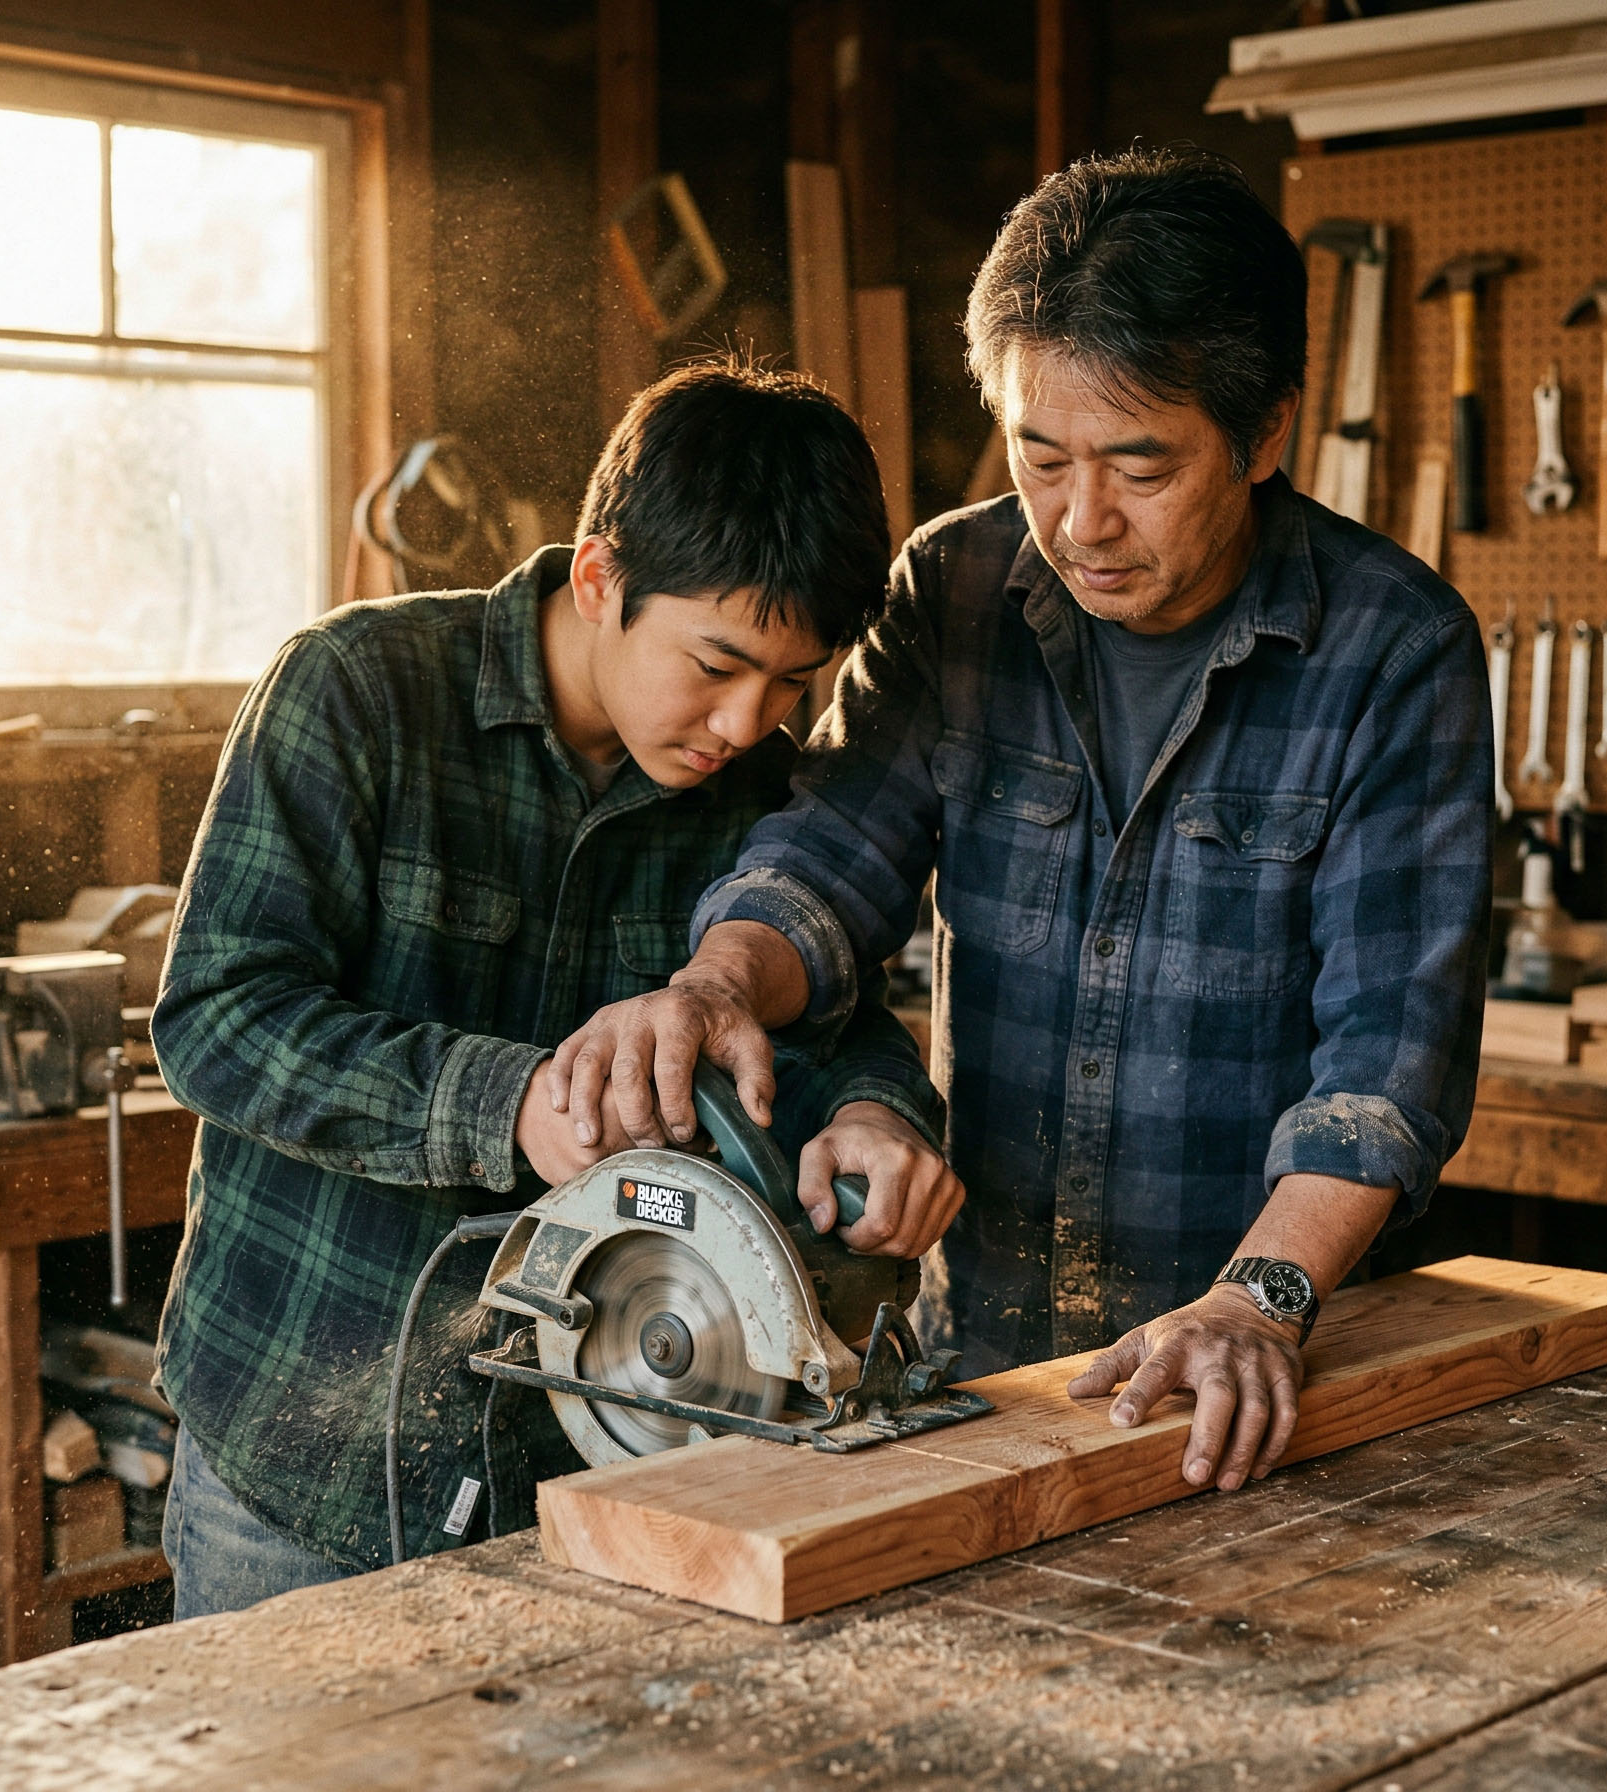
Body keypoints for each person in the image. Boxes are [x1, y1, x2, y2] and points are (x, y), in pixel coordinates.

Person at [550, 148, 1493, 1502]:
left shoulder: (1395, 649)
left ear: (1268, 432)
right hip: (983, 1353)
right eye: (1039, 456)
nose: (1081, 520)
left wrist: (1259, 1300)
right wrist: (715, 985)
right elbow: (831, 860)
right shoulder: (955, 586)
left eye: (1141, 467)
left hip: (1259, 1377)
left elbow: (1388, 1061)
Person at [151, 359, 964, 1618]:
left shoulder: (751, 796)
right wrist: (508, 1103)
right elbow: (216, 1017)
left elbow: (831, 1025)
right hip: (295, 1467)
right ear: (599, 579)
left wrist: (879, 1113)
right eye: (716, 663)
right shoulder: (355, 693)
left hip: (589, 1463)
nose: (747, 723)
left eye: (792, 685)